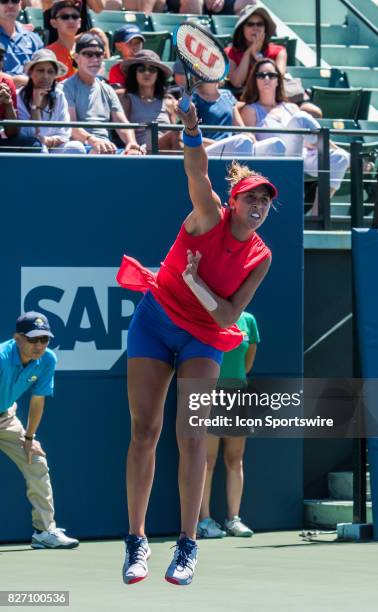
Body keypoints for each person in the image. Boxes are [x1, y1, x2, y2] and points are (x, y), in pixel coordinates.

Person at [116, 100, 277, 586]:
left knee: (193, 439)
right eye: (252, 199)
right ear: (235, 202)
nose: (258, 207)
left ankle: (187, 545)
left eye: (266, 202)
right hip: (156, 320)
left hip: (203, 337)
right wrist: (190, 126)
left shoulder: (261, 257)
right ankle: (136, 540)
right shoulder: (208, 214)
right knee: (145, 431)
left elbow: (228, 314)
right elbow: (197, 170)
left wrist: (197, 284)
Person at [0, 312, 79, 549]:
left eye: (44, 339)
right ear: (17, 338)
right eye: (33, 340)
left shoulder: (47, 360)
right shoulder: (2, 358)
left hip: (6, 418)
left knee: (36, 461)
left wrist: (29, 438)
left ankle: (44, 532)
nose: (39, 345)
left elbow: (37, 401)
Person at [240, 58, 350, 201]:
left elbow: (305, 140)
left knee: (341, 157)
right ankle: (348, 157)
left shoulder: (290, 107)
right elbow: (251, 143)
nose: (266, 78)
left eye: (271, 75)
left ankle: (317, 215)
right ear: (255, 80)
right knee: (300, 118)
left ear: (278, 80)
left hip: (302, 156)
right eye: (261, 75)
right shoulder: (250, 110)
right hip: (275, 159)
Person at [197, 310, 259, 539]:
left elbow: (247, 363)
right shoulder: (206, 315)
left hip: (237, 395)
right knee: (207, 461)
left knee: (235, 459)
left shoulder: (249, 321)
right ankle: (203, 520)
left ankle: (234, 519)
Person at [62, 33, 143, 155]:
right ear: (76, 57)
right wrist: (93, 141)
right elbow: (70, 126)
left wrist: (131, 142)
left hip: (105, 147)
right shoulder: (65, 87)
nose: (95, 59)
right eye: (88, 54)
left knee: (135, 155)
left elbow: (122, 123)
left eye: (99, 54)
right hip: (80, 147)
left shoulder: (107, 89)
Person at [17, 48, 86, 153]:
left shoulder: (59, 96)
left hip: (54, 146)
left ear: (55, 76)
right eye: (40, 70)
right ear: (31, 72)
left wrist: (47, 141)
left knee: (76, 147)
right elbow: (27, 134)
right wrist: (35, 106)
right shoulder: (19, 96)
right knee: (40, 148)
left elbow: (64, 133)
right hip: (30, 150)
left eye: (50, 72)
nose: (45, 76)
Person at [120, 49, 178, 152]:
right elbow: (122, 128)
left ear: (158, 74)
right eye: (141, 69)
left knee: (183, 136)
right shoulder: (127, 98)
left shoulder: (168, 101)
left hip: (168, 150)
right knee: (183, 135)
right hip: (142, 150)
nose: (147, 73)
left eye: (152, 70)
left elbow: (173, 134)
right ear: (135, 73)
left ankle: (216, 146)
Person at [225, 4, 286, 90]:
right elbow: (237, 82)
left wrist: (258, 58)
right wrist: (248, 53)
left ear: (265, 28)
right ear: (242, 29)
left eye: (260, 24)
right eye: (250, 24)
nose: (255, 28)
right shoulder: (230, 52)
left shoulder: (279, 52)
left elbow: (278, 80)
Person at [0, 0, 43, 87]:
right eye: (4, 1)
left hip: (32, 95)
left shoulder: (33, 38)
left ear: (20, 4)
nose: (10, 5)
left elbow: (46, 70)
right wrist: (17, 80)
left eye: (15, 1)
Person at [46, 0, 81, 81]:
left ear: (80, 22)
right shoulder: (48, 53)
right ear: (53, 23)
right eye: (64, 17)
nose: (71, 20)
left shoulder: (88, 52)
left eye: (75, 16)